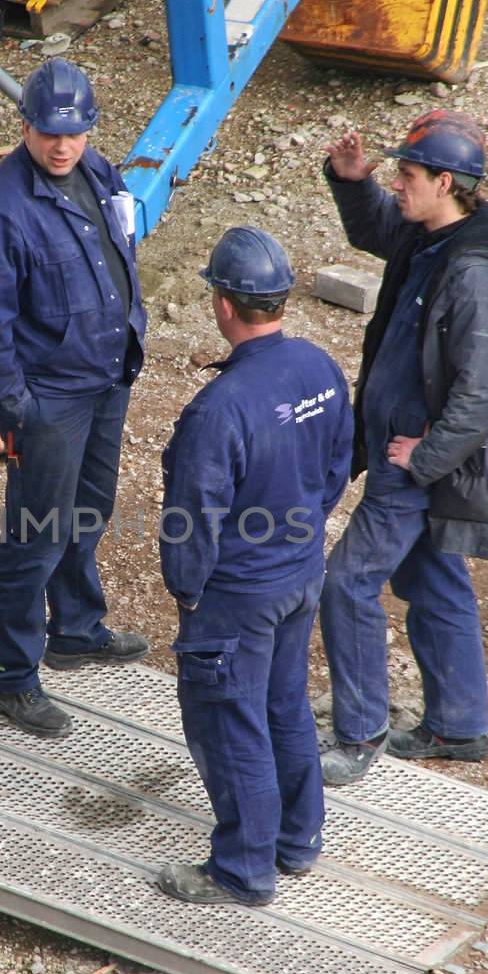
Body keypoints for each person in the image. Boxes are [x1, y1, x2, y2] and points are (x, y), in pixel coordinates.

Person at [315, 110, 488, 786]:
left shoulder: (475, 277)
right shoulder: (432, 236)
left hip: (411, 465)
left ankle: (358, 734)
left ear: (445, 182)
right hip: (398, 448)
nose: (397, 186)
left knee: (347, 583)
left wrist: (426, 456)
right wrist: (353, 183)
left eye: (406, 175)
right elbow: (378, 227)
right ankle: (460, 724)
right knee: (428, 577)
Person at [0, 58, 150, 739]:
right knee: (36, 532)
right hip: (50, 398)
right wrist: (18, 410)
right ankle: (10, 674)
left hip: (104, 379)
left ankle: (76, 629)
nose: (60, 146)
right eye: (46, 133)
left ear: (89, 128)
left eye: (73, 133)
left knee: (88, 509)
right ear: (25, 125)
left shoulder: (96, 171)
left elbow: (120, 252)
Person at [156, 228, 355, 907]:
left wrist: (186, 590)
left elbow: (193, 516)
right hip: (299, 572)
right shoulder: (319, 370)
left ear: (222, 304)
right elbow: (336, 469)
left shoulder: (221, 408)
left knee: (230, 720)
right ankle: (297, 839)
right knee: (284, 705)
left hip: (237, 594)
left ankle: (244, 868)